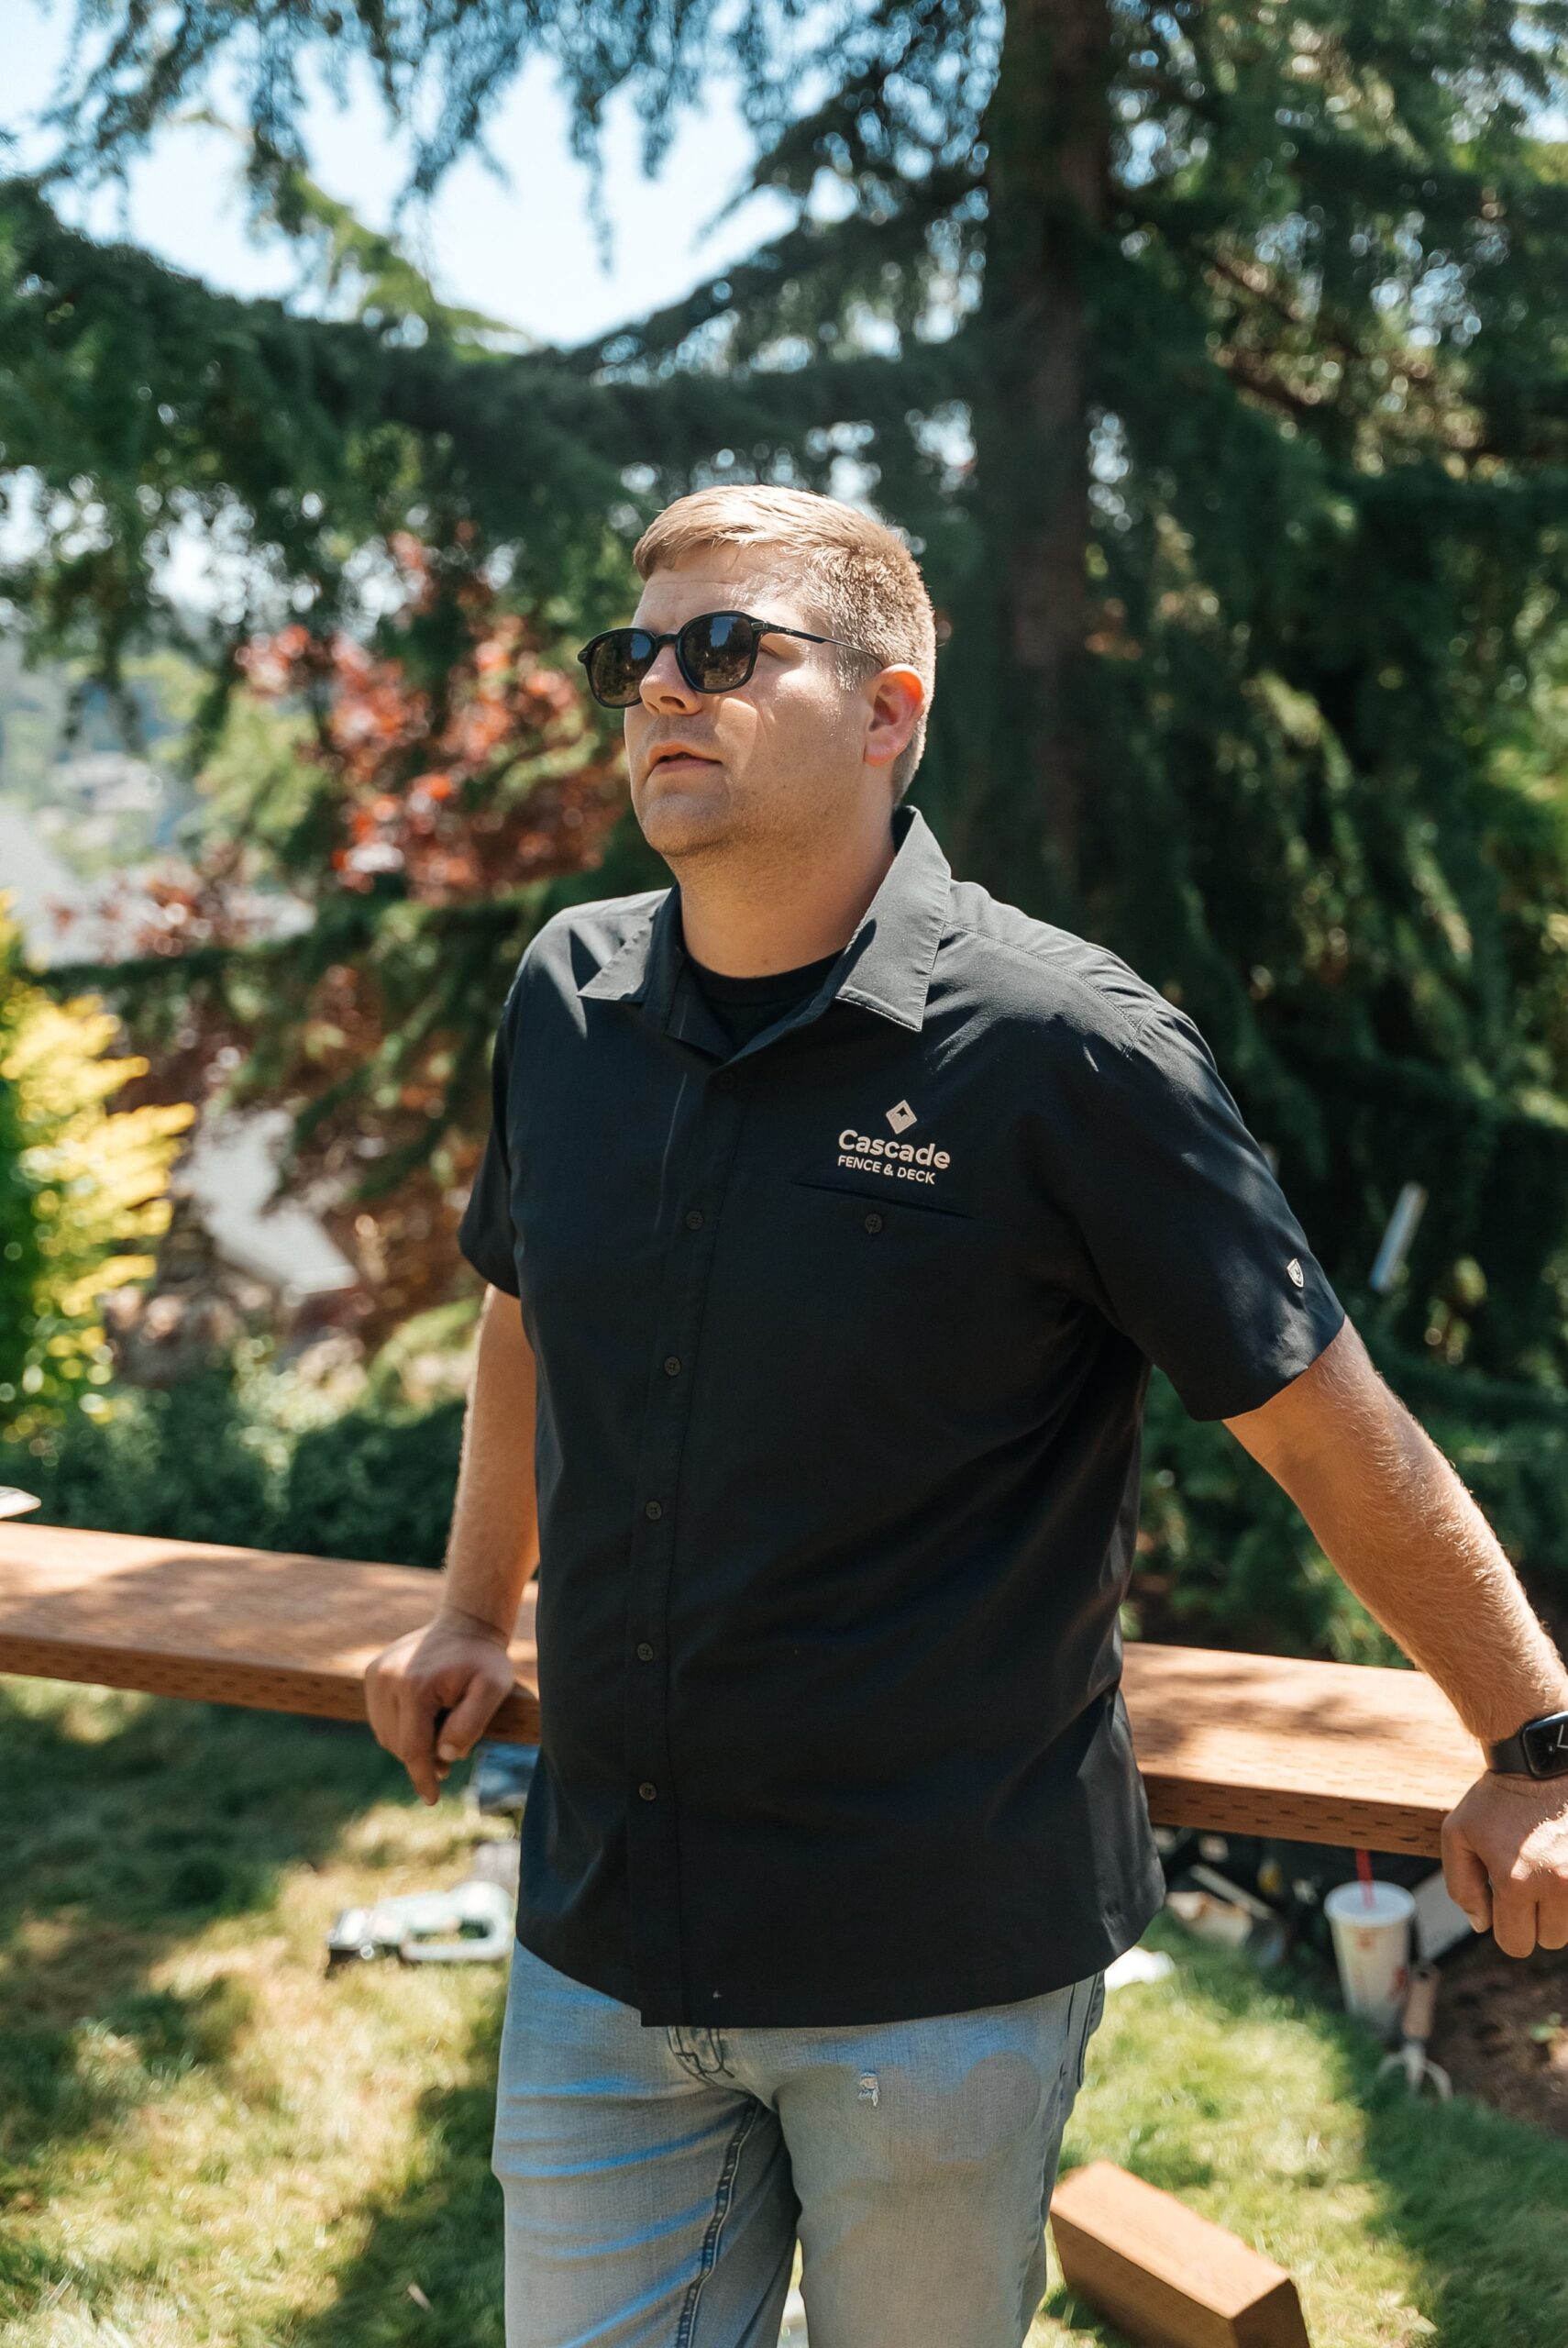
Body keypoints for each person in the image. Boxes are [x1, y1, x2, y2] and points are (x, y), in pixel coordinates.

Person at [365, 484, 1568, 2348]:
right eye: (636, 656)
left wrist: (1536, 1735)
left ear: (891, 709)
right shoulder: (566, 997)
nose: (662, 688)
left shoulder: (1064, 1049)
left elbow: (1330, 1423)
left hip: (931, 1968)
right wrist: (468, 1603)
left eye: (726, 647)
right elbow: (528, 1314)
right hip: (601, 1928)